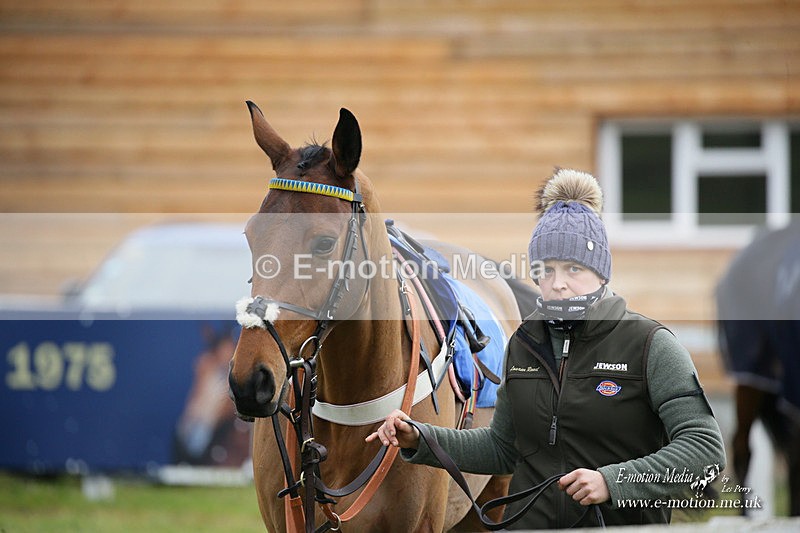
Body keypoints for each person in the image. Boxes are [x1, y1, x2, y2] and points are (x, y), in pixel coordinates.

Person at [367, 168, 726, 528]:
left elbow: (705, 451)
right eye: (546, 270)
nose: (559, 284)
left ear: (601, 273)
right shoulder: (523, 345)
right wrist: (421, 438)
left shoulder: (650, 345)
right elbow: (502, 449)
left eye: (573, 269)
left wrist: (612, 482)